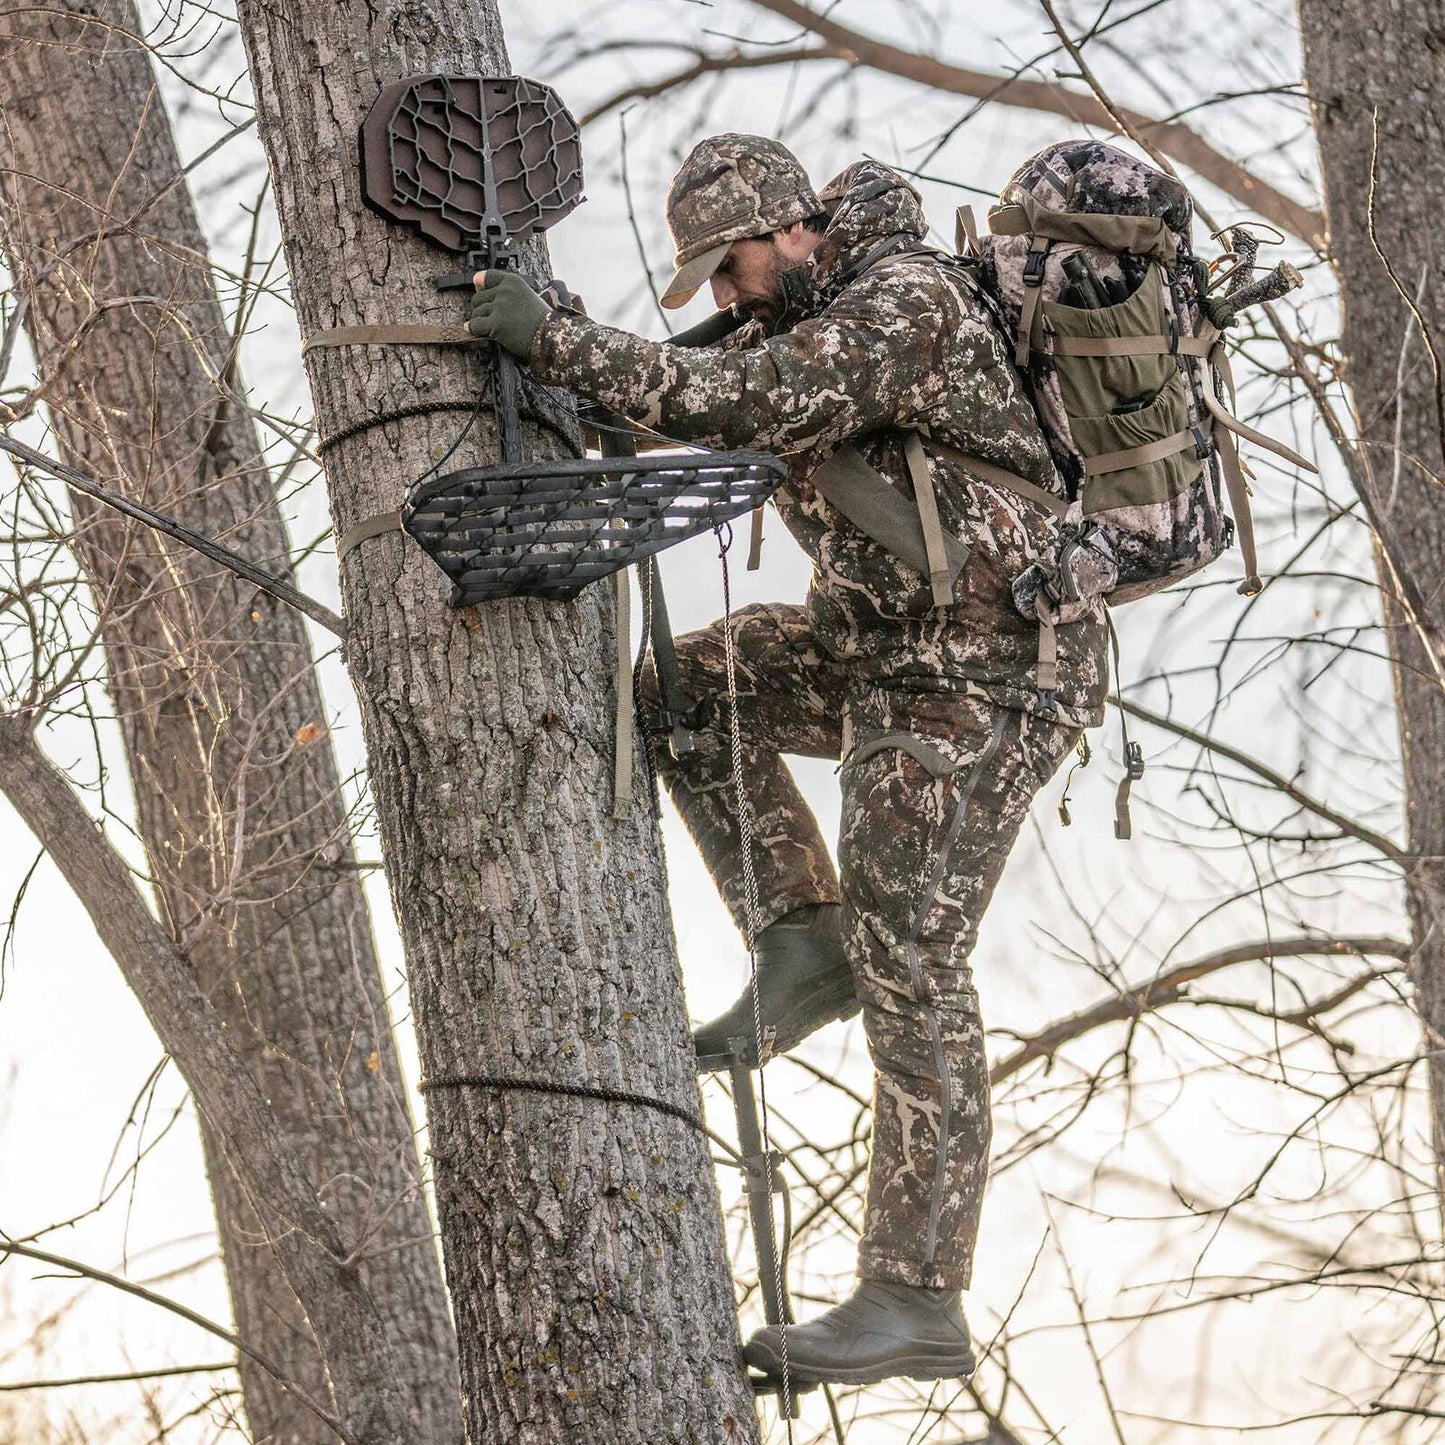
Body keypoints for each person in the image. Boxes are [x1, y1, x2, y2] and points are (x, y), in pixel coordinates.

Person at [468, 133, 1108, 1386]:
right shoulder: (798, 326)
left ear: (789, 227)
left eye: (730, 266)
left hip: (978, 674)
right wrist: (563, 339)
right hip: (876, 652)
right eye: (707, 279)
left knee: (913, 955)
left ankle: (916, 1294)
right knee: (686, 691)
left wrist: (548, 337)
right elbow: (676, 397)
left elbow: (743, 405)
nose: (722, 297)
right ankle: (799, 933)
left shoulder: (903, 305)